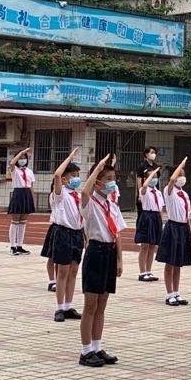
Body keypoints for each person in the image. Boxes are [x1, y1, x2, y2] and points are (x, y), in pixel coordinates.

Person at [77, 154, 123, 367]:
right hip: (95, 252)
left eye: (113, 178)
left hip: (110, 252)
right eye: (108, 178)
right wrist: (97, 169)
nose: (112, 183)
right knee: (91, 304)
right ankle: (85, 351)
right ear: (97, 182)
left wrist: (120, 259)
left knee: (103, 303)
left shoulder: (111, 204)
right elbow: (84, 191)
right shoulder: (89, 202)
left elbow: (117, 233)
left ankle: (97, 346)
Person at [46, 148, 86, 322]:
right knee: (62, 272)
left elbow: (82, 217)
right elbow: (56, 175)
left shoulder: (77, 195)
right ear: (64, 179)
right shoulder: (59, 195)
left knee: (73, 271)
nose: (76, 178)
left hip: (77, 234)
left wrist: (84, 236)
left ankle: (69, 305)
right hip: (63, 233)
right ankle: (59, 308)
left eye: (78, 174)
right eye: (73, 175)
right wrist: (69, 158)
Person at [155, 157, 191, 306]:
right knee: (170, 262)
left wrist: (188, 230)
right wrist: (180, 165)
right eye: (180, 174)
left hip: (183, 228)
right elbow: (171, 180)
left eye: (183, 175)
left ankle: (176, 292)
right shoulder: (168, 191)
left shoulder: (184, 194)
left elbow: (187, 214)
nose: (182, 177)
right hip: (173, 227)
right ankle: (169, 293)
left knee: (178, 263)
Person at [135, 164, 164, 283]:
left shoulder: (158, 192)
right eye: (152, 177)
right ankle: (142, 272)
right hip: (147, 216)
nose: (154, 179)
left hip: (156, 217)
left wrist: (161, 222)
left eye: (156, 177)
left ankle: (148, 270)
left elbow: (160, 208)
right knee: (145, 245)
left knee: (152, 245)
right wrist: (151, 174)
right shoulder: (144, 190)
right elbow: (144, 186)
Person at [4, 146, 35, 255]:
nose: (23, 159)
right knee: (15, 221)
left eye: (24, 157)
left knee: (23, 222)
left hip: (27, 195)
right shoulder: (14, 170)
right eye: (20, 157)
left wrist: (32, 199)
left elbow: (31, 186)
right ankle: (12, 246)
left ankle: (20, 245)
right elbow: (12, 163)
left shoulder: (30, 171)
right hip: (18, 193)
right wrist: (21, 152)